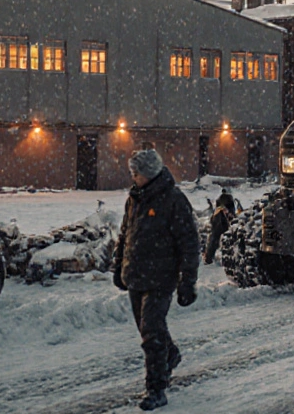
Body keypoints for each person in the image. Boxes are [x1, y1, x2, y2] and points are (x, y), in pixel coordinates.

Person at [113, 149, 201, 411]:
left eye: (136, 173)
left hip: (161, 278)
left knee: (151, 332)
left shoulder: (173, 200)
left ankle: (157, 389)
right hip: (136, 275)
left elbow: (189, 243)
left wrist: (187, 281)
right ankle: (170, 355)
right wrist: (119, 268)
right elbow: (125, 235)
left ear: (149, 174)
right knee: (148, 329)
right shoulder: (134, 199)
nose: (133, 177)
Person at [203, 188, 237, 265]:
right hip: (222, 223)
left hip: (218, 224)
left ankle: (209, 258)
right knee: (218, 240)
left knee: (214, 240)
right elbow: (231, 211)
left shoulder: (220, 202)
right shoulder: (228, 199)